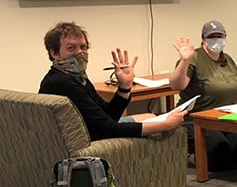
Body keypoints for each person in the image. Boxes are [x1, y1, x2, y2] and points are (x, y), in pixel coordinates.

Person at [39, 22, 186, 141]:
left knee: (151, 116)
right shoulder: (62, 83)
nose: (80, 53)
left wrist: (124, 86)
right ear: (54, 53)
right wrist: (165, 125)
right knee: (161, 125)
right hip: (88, 140)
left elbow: (108, 115)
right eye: (71, 48)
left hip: (93, 130)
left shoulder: (75, 78)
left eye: (83, 47)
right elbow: (107, 129)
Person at [169, 20, 237, 170]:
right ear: (203, 39)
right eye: (212, 36)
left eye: (220, 36)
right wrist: (184, 61)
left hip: (225, 119)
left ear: (225, 37)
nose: (216, 39)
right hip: (198, 121)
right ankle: (187, 156)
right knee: (221, 155)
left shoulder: (228, 59)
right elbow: (177, 85)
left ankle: (217, 155)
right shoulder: (195, 58)